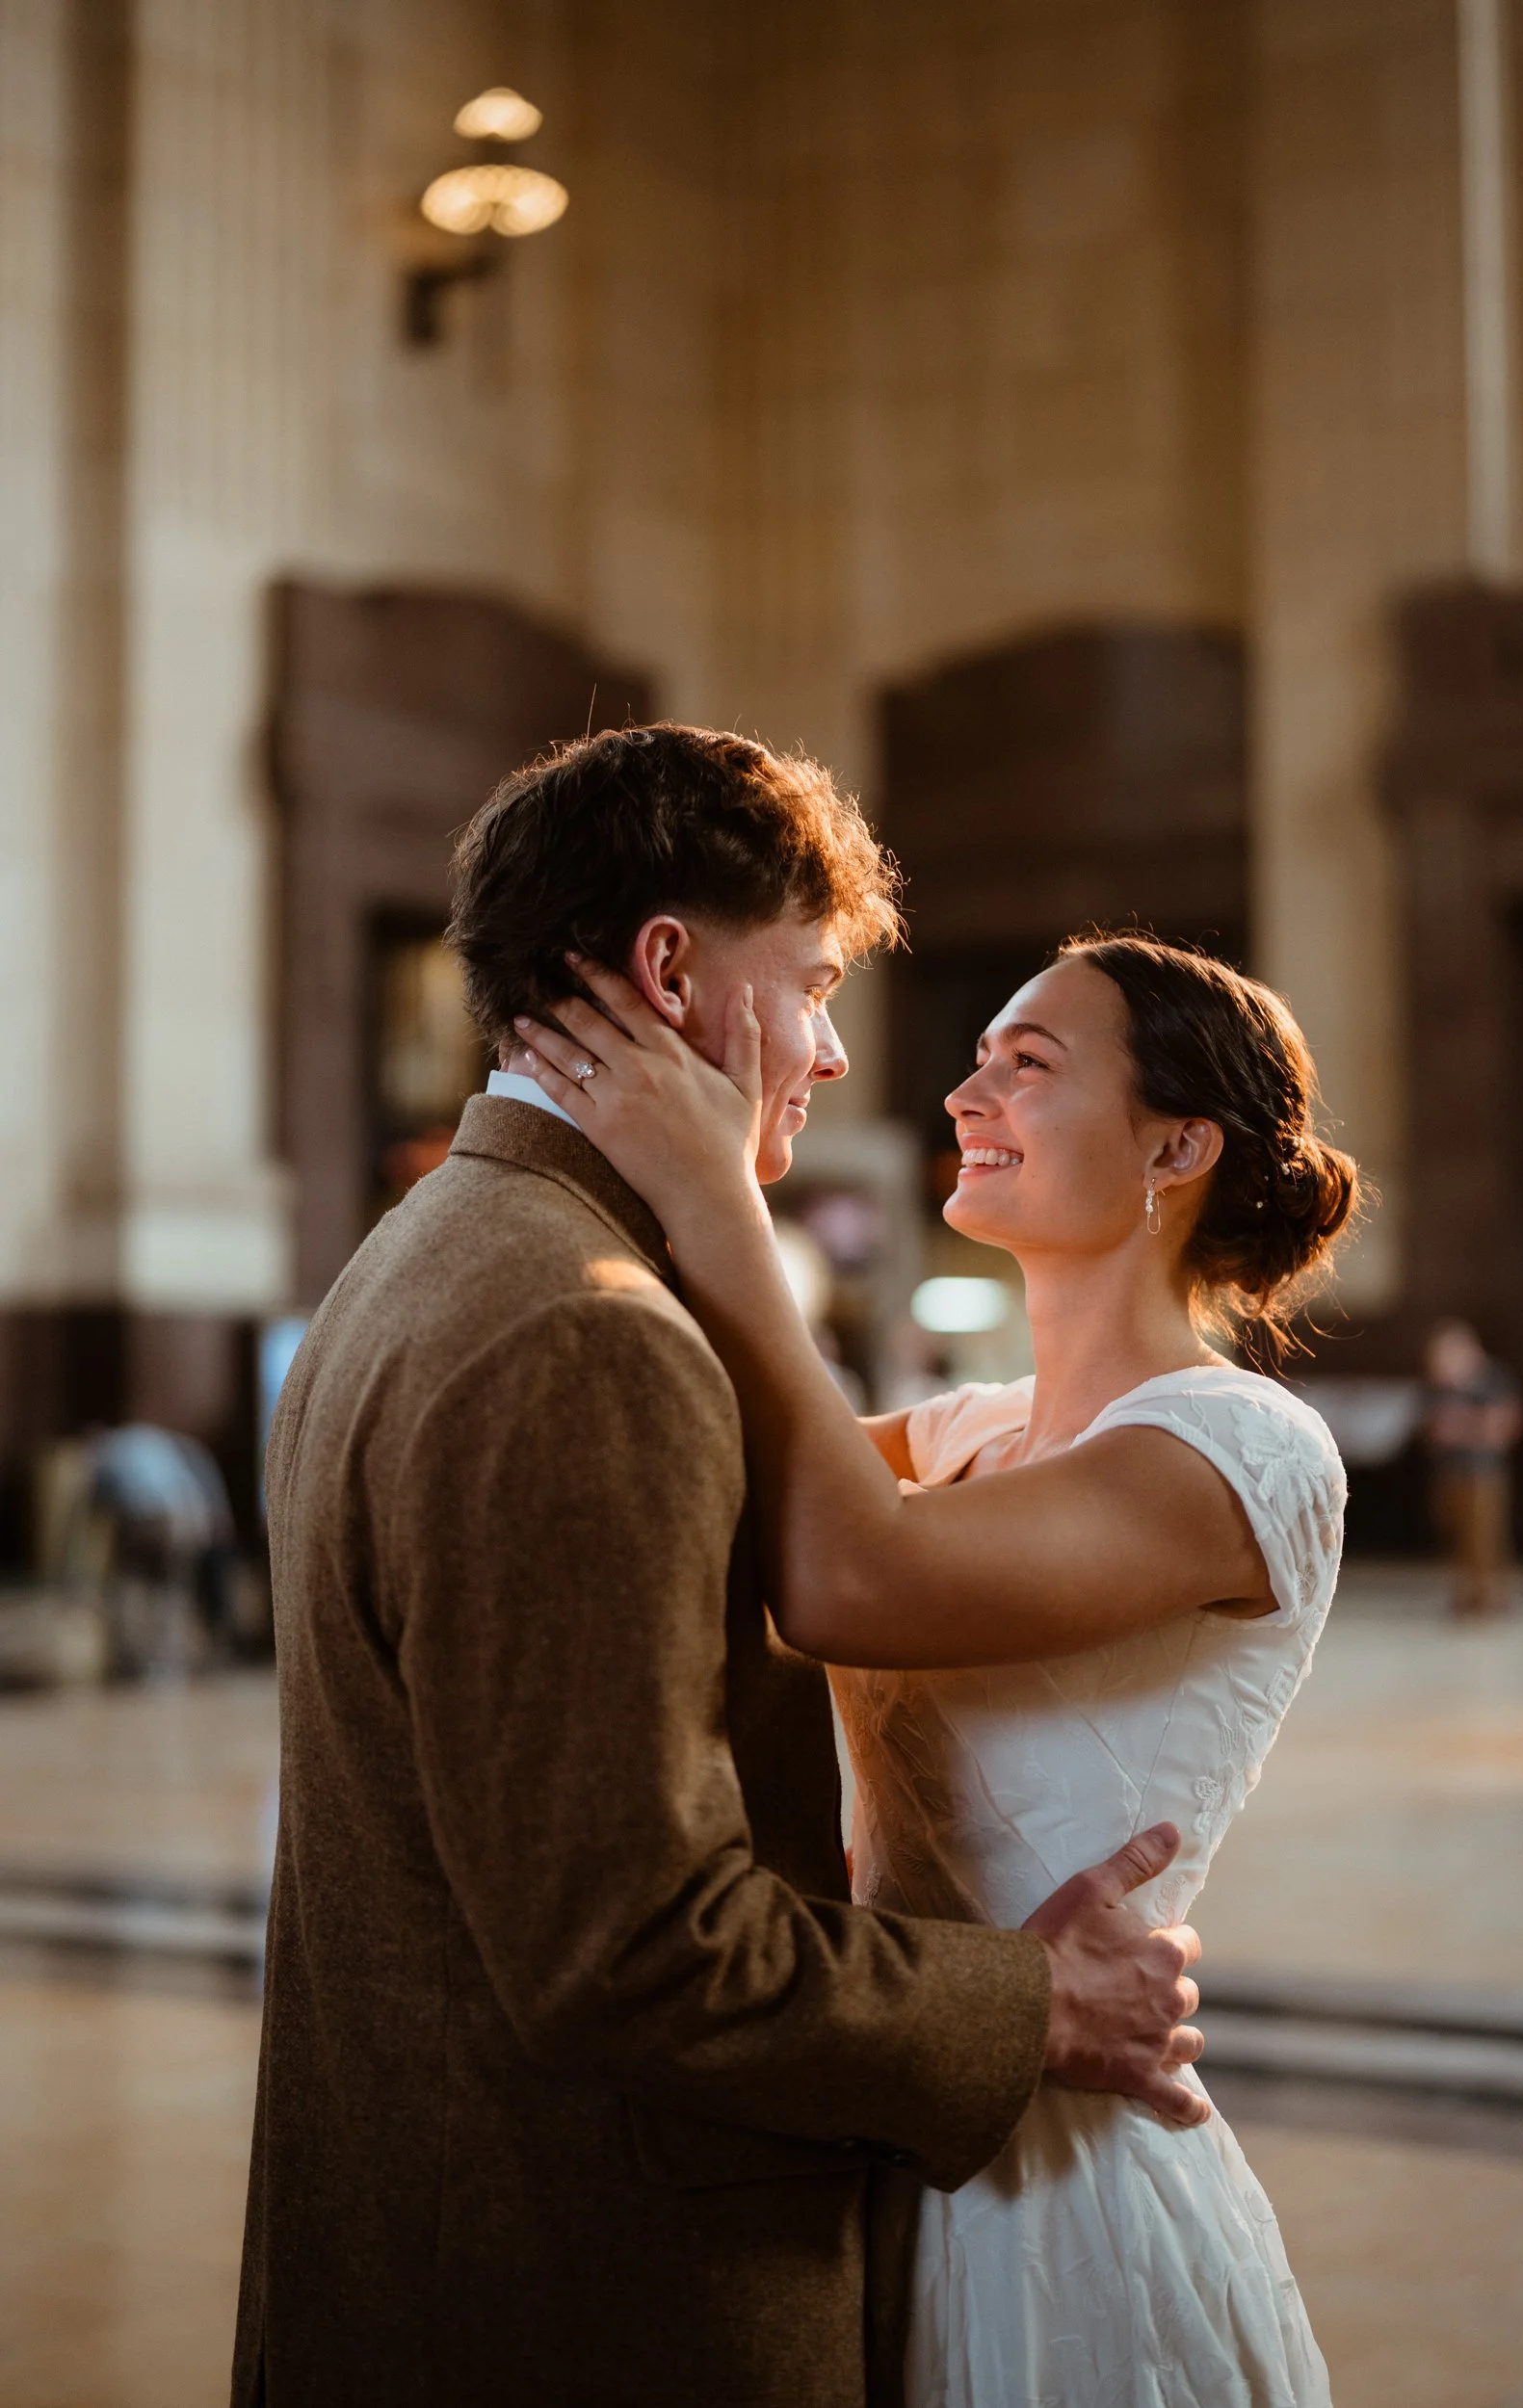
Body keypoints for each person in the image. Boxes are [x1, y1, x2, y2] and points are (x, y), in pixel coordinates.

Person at [232, 726, 1208, 2408]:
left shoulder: (425, 1252)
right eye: (814, 984)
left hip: (431, 2239)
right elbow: (639, 1951)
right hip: (584, 2296)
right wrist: (1029, 2005)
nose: (828, 1055)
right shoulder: (580, 1333)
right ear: (673, 970)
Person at [512, 925, 1357, 2407]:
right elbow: (747, 1497)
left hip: (1062, 2176)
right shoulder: (974, 1427)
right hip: (898, 2103)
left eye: (1024, 1066)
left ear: (1175, 1144)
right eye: (974, 1060)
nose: (967, 1095)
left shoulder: (1238, 1449)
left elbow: (846, 1579)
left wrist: (714, 1189)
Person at [1422, 1318, 1523, 1617]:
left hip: (1483, 1473)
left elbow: (1505, 1426)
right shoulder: (1439, 1386)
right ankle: (1466, 1594)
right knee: (1456, 1535)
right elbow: (1432, 1427)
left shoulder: (1492, 1379)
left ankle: (1491, 1596)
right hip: (1448, 1472)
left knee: (1485, 1537)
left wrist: (1462, 1427)